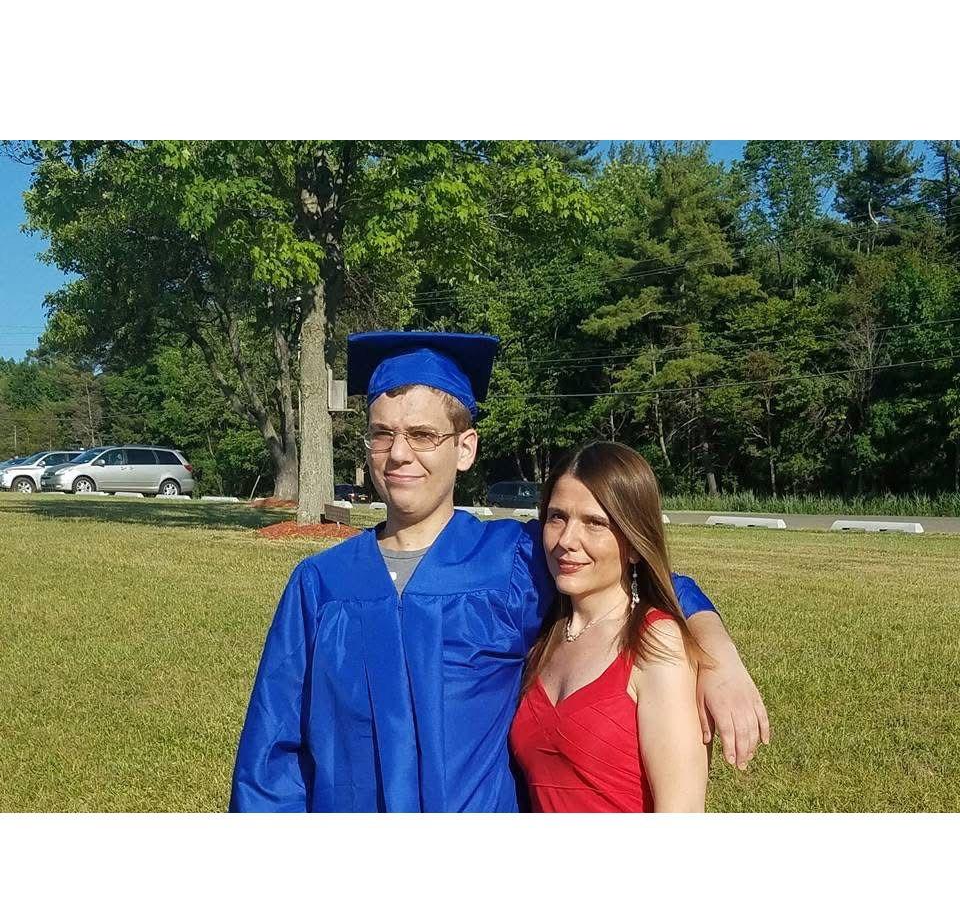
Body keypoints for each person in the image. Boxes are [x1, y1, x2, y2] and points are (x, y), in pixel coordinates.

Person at [229, 331, 768, 812]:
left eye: (422, 435)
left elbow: (633, 575)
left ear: (465, 449)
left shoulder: (511, 561)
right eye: (381, 433)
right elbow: (272, 754)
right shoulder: (320, 585)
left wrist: (719, 657)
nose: (398, 454)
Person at [511, 442, 713, 812]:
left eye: (594, 523)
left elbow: (681, 812)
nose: (567, 541)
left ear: (635, 544)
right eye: (557, 517)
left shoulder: (655, 641)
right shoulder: (543, 635)